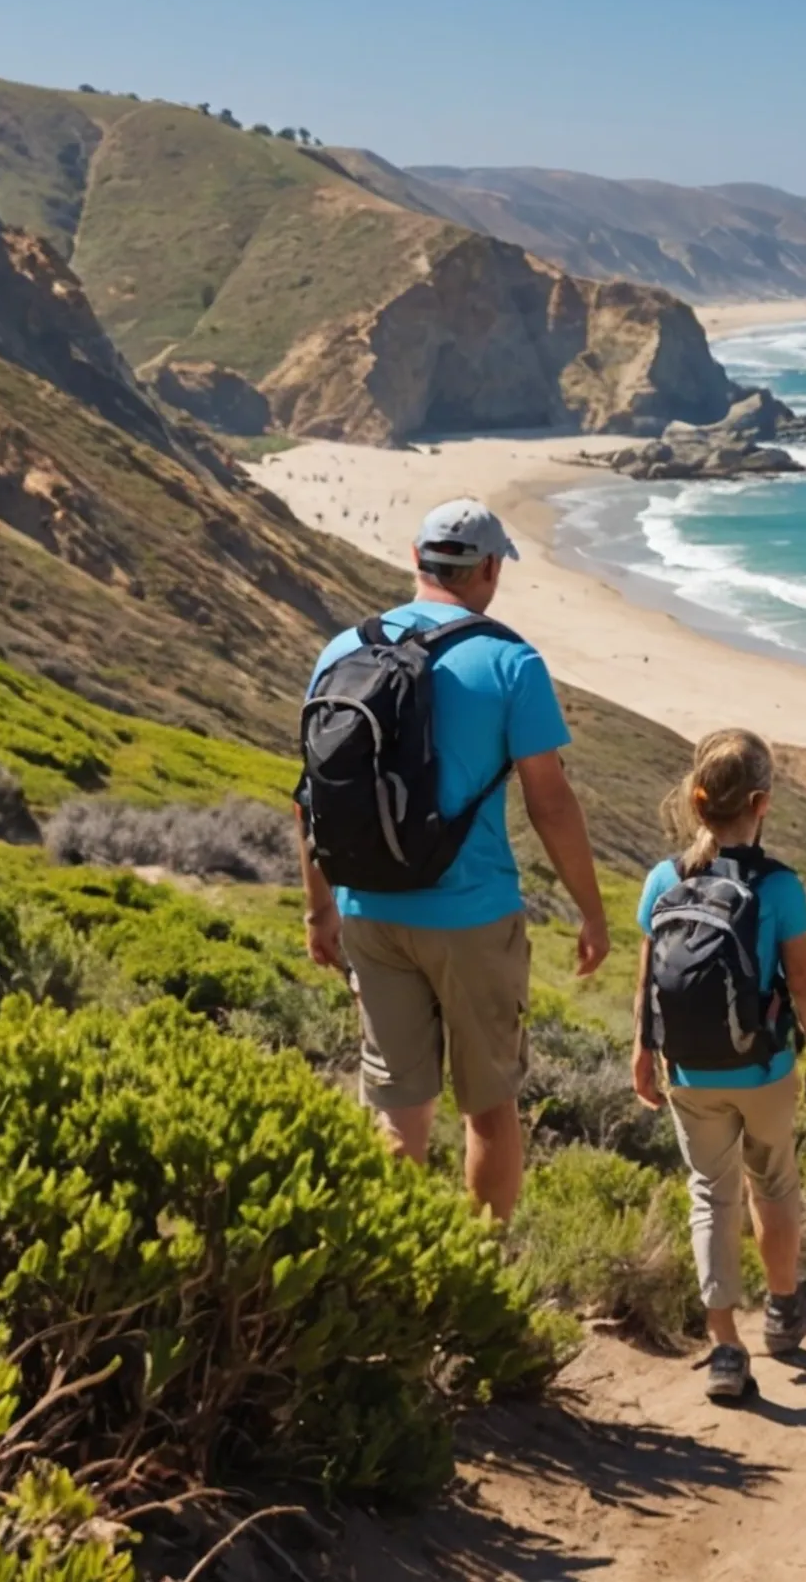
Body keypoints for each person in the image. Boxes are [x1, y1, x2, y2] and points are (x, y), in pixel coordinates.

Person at [296, 498, 610, 1222]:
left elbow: (311, 795)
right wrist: (591, 911)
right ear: (491, 569)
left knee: (397, 1115)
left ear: (416, 558)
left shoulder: (341, 650)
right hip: (471, 913)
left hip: (367, 907)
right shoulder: (509, 660)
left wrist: (319, 907)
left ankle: (394, 1272)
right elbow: (550, 803)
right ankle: (483, 1273)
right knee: (490, 1109)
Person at [630, 730, 806, 1405]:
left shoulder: (666, 877)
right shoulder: (779, 886)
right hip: (767, 1067)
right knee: (773, 1183)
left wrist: (642, 1047)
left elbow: (647, 970)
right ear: (760, 803)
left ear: (697, 800)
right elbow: (803, 983)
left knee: (709, 1194)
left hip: (689, 1071)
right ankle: (783, 1309)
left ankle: (725, 1347)